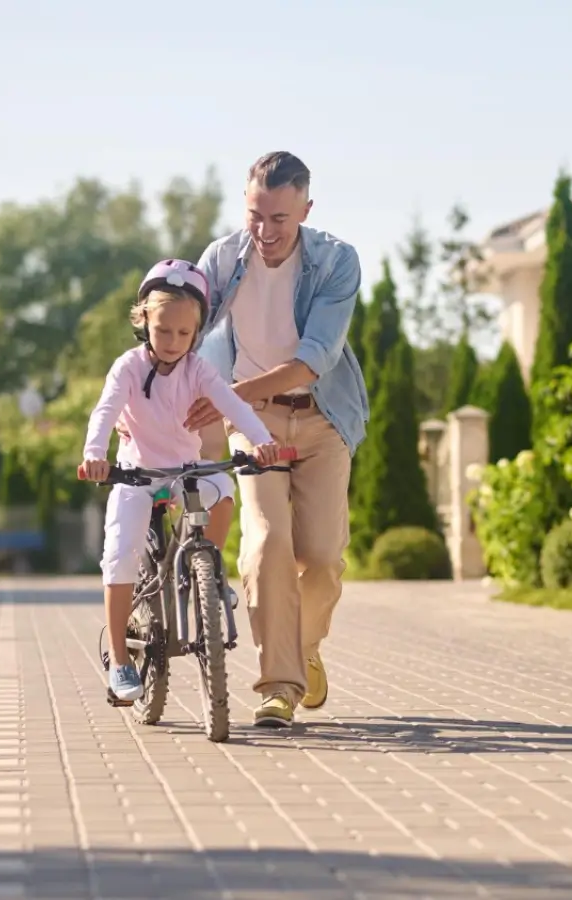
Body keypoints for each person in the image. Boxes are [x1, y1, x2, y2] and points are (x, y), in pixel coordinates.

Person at [186, 151, 368, 728]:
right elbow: (183, 329)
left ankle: (305, 647)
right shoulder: (222, 258)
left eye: (279, 220)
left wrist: (232, 392)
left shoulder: (337, 262)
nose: (264, 232)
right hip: (253, 423)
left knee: (320, 557)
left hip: (321, 418)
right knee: (265, 544)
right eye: (254, 216)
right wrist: (145, 388)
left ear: (305, 211)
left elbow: (317, 357)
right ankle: (279, 685)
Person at [80, 259, 281, 703]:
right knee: (120, 553)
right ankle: (120, 657)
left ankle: (205, 577)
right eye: (162, 330)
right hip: (137, 474)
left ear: (196, 332)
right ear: (144, 321)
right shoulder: (128, 368)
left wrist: (263, 441)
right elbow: (106, 412)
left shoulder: (198, 370)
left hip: (186, 473)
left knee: (225, 492)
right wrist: (95, 454)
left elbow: (234, 405)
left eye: (184, 334)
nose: (173, 342)